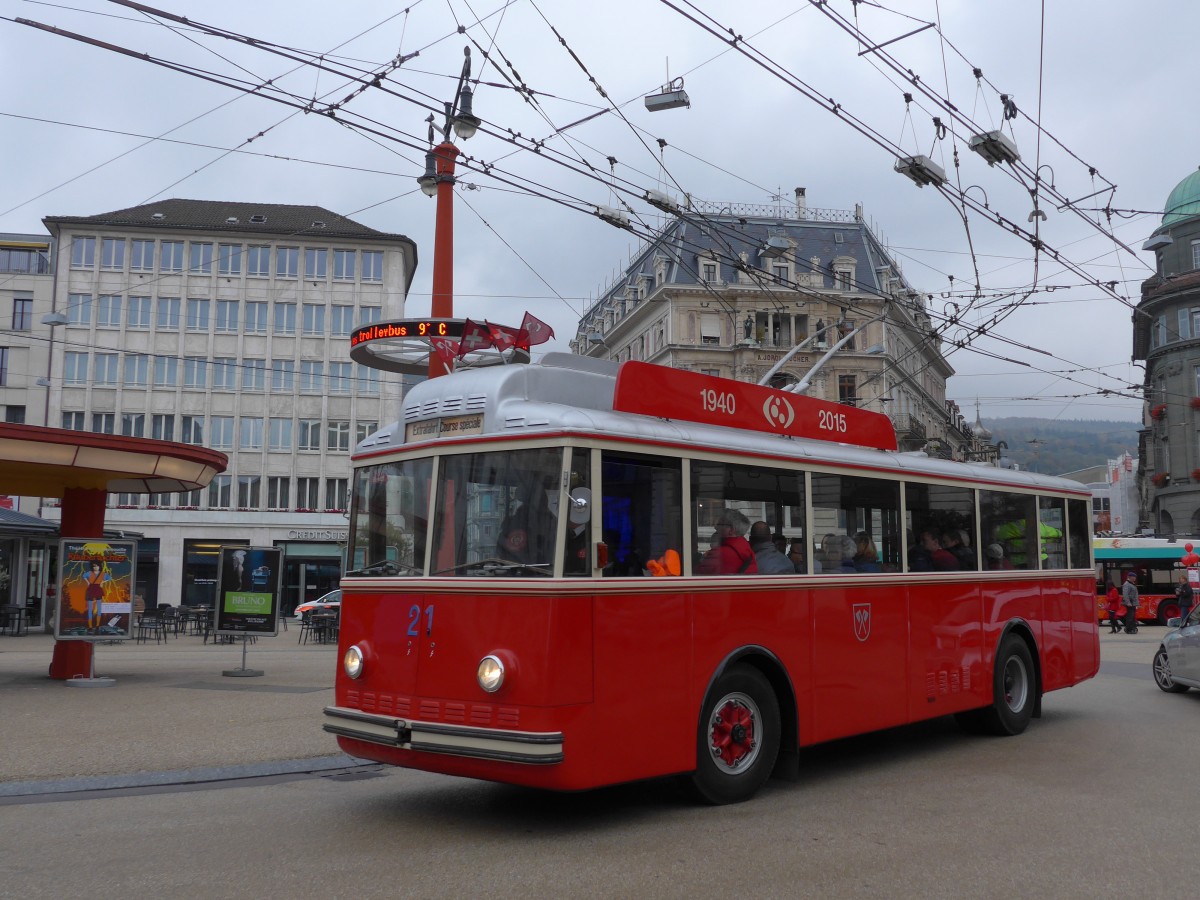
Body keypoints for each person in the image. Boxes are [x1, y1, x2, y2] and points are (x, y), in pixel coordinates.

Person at [696, 509, 757, 574]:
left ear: (731, 530)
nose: (715, 527)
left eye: (720, 524)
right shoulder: (746, 549)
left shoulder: (719, 554)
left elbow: (696, 574)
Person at [85, 561, 106, 632]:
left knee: (99, 609)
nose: (95, 567)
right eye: (94, 566)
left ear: (99, 566)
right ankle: (90, 626)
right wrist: (88, 582)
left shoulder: (102, 574)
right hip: (91, 590)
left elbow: (109, 578)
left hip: (98, 590)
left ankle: (97, 625)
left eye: (97, 566)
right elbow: (84, 576)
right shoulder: (89, 573)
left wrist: (102, 582)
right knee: (90, 609)